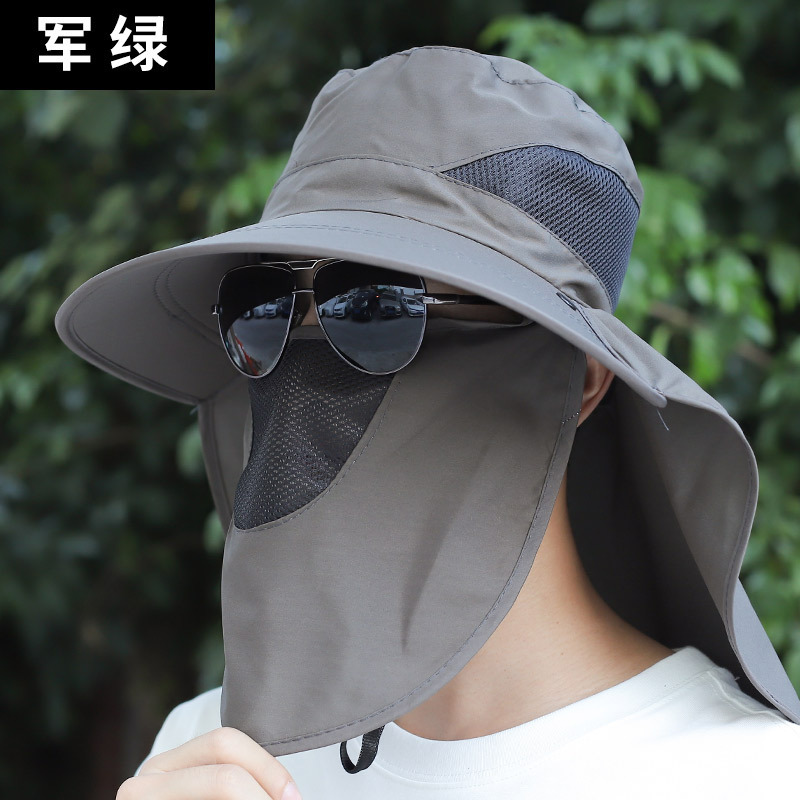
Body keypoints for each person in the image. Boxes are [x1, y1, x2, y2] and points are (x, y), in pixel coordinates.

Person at [54, 46, 800, 799]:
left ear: (578, 378)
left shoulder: (749, 776)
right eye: (265, 309)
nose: (303, 368)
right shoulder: (212, 754)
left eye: (372, 306)